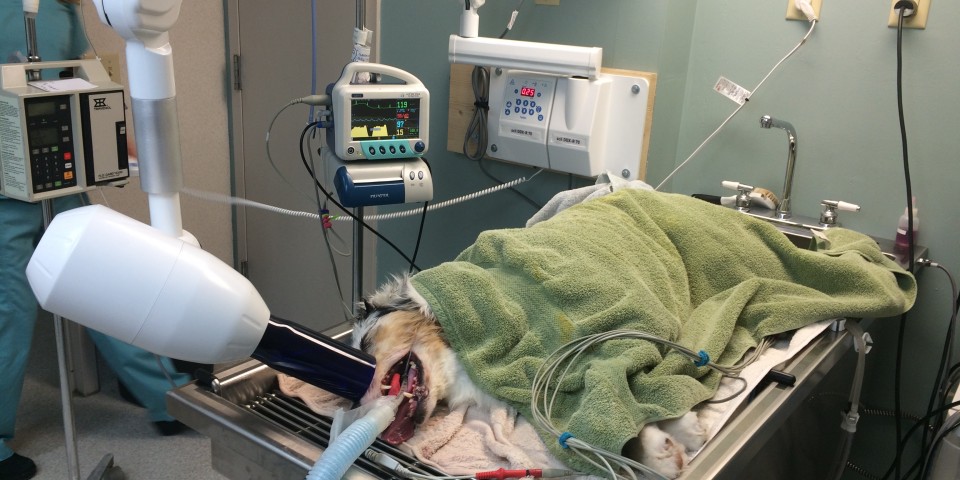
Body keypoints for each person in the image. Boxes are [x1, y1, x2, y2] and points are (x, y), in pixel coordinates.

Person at [0, 2, 192, 479]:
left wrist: (129, 144)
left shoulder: (63, 12)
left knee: (105, 278)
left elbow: (84, 78)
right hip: (6, 184)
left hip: (58, 169)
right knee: (10, 311)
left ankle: (166, 395)